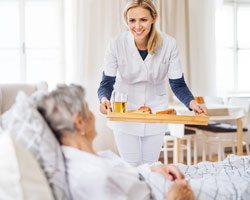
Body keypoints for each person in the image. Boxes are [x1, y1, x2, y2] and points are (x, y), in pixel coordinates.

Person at [37, 84, 250, 200]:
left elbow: (127, 176)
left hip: (158, 178)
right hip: (173, 193)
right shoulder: (92, 177)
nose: (93, 113)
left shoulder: (82, 157)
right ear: (79, 121)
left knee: (235, 164)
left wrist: (152, 169)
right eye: (87, 108)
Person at [97, 0, 207, 166]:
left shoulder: (169, 44)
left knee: (151, 166)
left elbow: (177, 84)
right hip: (125, 112)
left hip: (156, 112)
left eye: (143, 20)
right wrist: (104, 100)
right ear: (126, 20)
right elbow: (106, 82)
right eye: (132, 20)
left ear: (154, 18)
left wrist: (193, 104)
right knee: (131, 166)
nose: (137, 26)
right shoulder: (116, 44)